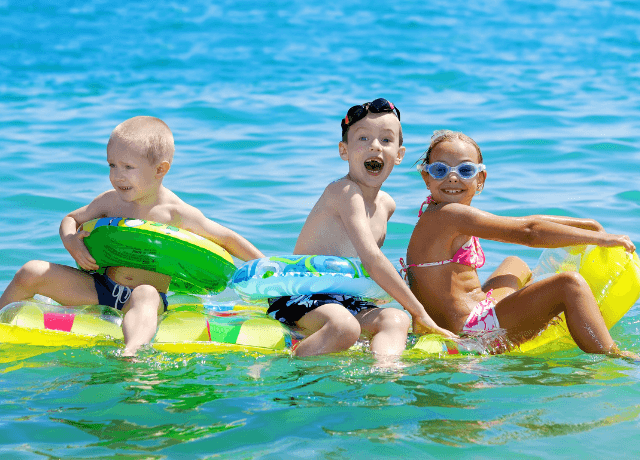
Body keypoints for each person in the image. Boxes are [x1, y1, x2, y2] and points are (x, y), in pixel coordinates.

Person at [0, 116, 264, 356]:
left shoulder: (176, 213)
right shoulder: (110, 201)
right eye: (112, 165)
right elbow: (72, 219)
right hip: (100, 287)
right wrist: (71, 242)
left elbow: (227, 239)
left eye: (128, 167)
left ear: (160, 170)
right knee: (31, 271)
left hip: (143, 297)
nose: (117, 176)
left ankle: (133, 352)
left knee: (146, 294)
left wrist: (269, 269)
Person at [403, 129, 636, 356]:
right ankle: (613, 354)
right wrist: (601, 238)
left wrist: (587, 224)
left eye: (465, 169)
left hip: (475, 311)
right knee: (569, 284)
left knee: (514, 263)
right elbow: (528, 232)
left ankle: (535, 307)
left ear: (480, 178)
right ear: (426, 177)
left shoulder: (436, 213)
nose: (452, 177)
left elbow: (525, 222)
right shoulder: (450, 214)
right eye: (440, 169)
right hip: (472, 334)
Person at [267, 98, 456, 360]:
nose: (375, 146)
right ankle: (283, 364)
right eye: (363, 139)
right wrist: (419, 312)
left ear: (399, 155)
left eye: (386, 140)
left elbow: (367, 270)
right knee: (345, 327)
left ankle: (384, 373)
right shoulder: (344, 192)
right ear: (344, 150)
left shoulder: (387, 205)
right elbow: (372, 258)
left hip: (345, 299)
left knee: (395, 319)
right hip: (302, 295)